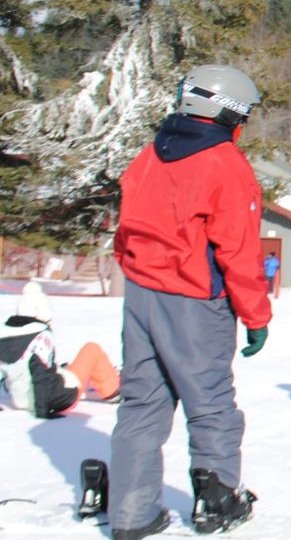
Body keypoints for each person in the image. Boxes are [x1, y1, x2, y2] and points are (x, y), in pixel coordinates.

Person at [108, 65, 272, 540]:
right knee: (210, 403)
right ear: (228, 111)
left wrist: (139, 272)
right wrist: (255, 316)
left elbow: (125, 229)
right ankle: (218, 504)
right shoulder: (224, 163)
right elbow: (239, 251)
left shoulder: (150, 155)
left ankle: (132, 514)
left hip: (141, 295)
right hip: (194, 300)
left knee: (142, 404)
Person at [0, 282, 122, 416]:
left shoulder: (5, 333)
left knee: (64, 367)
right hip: (56, 400)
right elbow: (41, 374)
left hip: (21, 401)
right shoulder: (40, 336)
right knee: (92, 350)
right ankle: (113, 391)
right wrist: (43, 411)